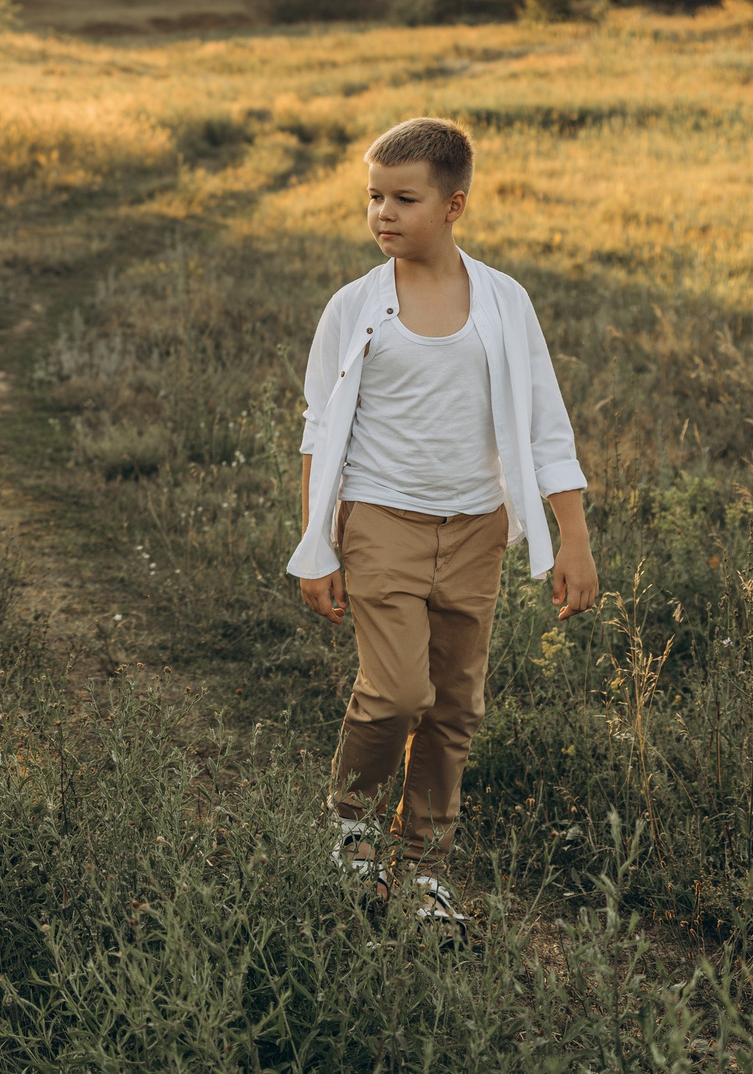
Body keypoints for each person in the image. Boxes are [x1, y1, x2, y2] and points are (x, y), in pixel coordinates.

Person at [286, 116, 600, 938]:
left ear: (454, 204)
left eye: (404, 198)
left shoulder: (502, 300)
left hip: (476, 528)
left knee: (456, 704)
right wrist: (316, 542)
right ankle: (352, 830)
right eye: (373, 197)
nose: (383, 213)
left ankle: (424, 869)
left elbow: (544, 422)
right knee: (397, 693)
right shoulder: (356, 308)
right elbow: (322, 428)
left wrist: (573, 535)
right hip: (381, 520)